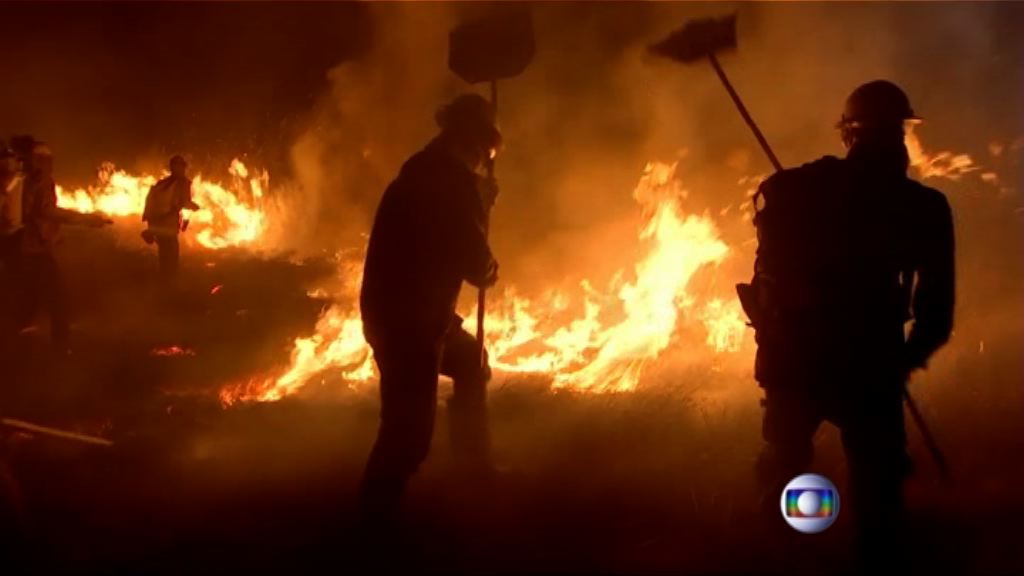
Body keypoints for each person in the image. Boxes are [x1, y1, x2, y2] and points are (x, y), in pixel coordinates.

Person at [742, 80, 955, 566]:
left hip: (794, 361)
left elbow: (765, 281)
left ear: (846, 135)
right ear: (900, 137)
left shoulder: (793, 189)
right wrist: (903, 360)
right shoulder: (922, 207)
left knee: (786, 468)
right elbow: (935, 311)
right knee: (877, 491)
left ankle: (782, 553)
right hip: (867, 365)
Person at [357, 93, 502, 529]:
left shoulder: (425, 170)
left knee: (471, 363)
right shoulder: (449, 185)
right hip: (409, 323)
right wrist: (480, 210)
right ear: (473, 143)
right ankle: (373, 520)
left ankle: (472, 467)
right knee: (407, 434)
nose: (484, 160)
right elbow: (478, 266)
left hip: (419, 314)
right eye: (485, 151)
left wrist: (477, 200)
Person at [142, 155, 199, 280]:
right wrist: (195, 207)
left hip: (158, 225)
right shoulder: (183, 183)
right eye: (181, 166)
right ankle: (170, 285)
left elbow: (151, 202)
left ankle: (163, 281)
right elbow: (185, 203)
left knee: (163, 256)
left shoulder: (162, 184)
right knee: (172, 257)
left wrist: (151, 226)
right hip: (169, 226)